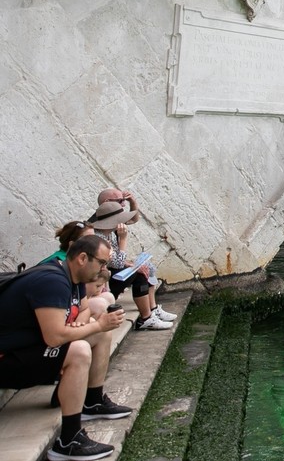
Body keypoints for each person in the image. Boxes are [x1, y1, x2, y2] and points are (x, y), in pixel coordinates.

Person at [0, 234, 131, 461]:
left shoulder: (73, 276)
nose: (104, 269)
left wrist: (83, 323)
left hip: (26, 351)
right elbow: (55, 337)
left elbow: (84, 309)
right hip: (7, 358)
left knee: (99, 334)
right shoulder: (52, 281)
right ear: (82, 258)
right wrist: (97, 324)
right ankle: (68, 441)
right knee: (79, 349)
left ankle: (93, 401)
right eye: (101, 262)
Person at [89, 190, 177, 331]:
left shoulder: (109, 229)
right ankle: (146, 318)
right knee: (139, 274)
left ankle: (153, 308)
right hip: (104, 279)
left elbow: (133, 219)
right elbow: (116, 262)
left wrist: (133, 202)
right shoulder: (98, 234)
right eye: (120, 201)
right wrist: (123, 240)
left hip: (110, 271)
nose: (123, 204)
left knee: (146, 266)